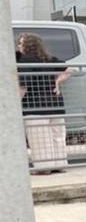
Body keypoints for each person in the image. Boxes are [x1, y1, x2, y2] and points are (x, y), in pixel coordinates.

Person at [17, 33, 71, 173]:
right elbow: (69, 69)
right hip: (55, 103)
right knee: (57, 137)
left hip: (35, 106)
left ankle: (44, 168)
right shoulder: (49, 59)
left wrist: (15, 103)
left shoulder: (25, 61)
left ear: (27, 46)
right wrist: (57, 82)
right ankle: (60, 165)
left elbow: (23, 86)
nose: (18, 46)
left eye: (20, 43)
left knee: (40, 138)